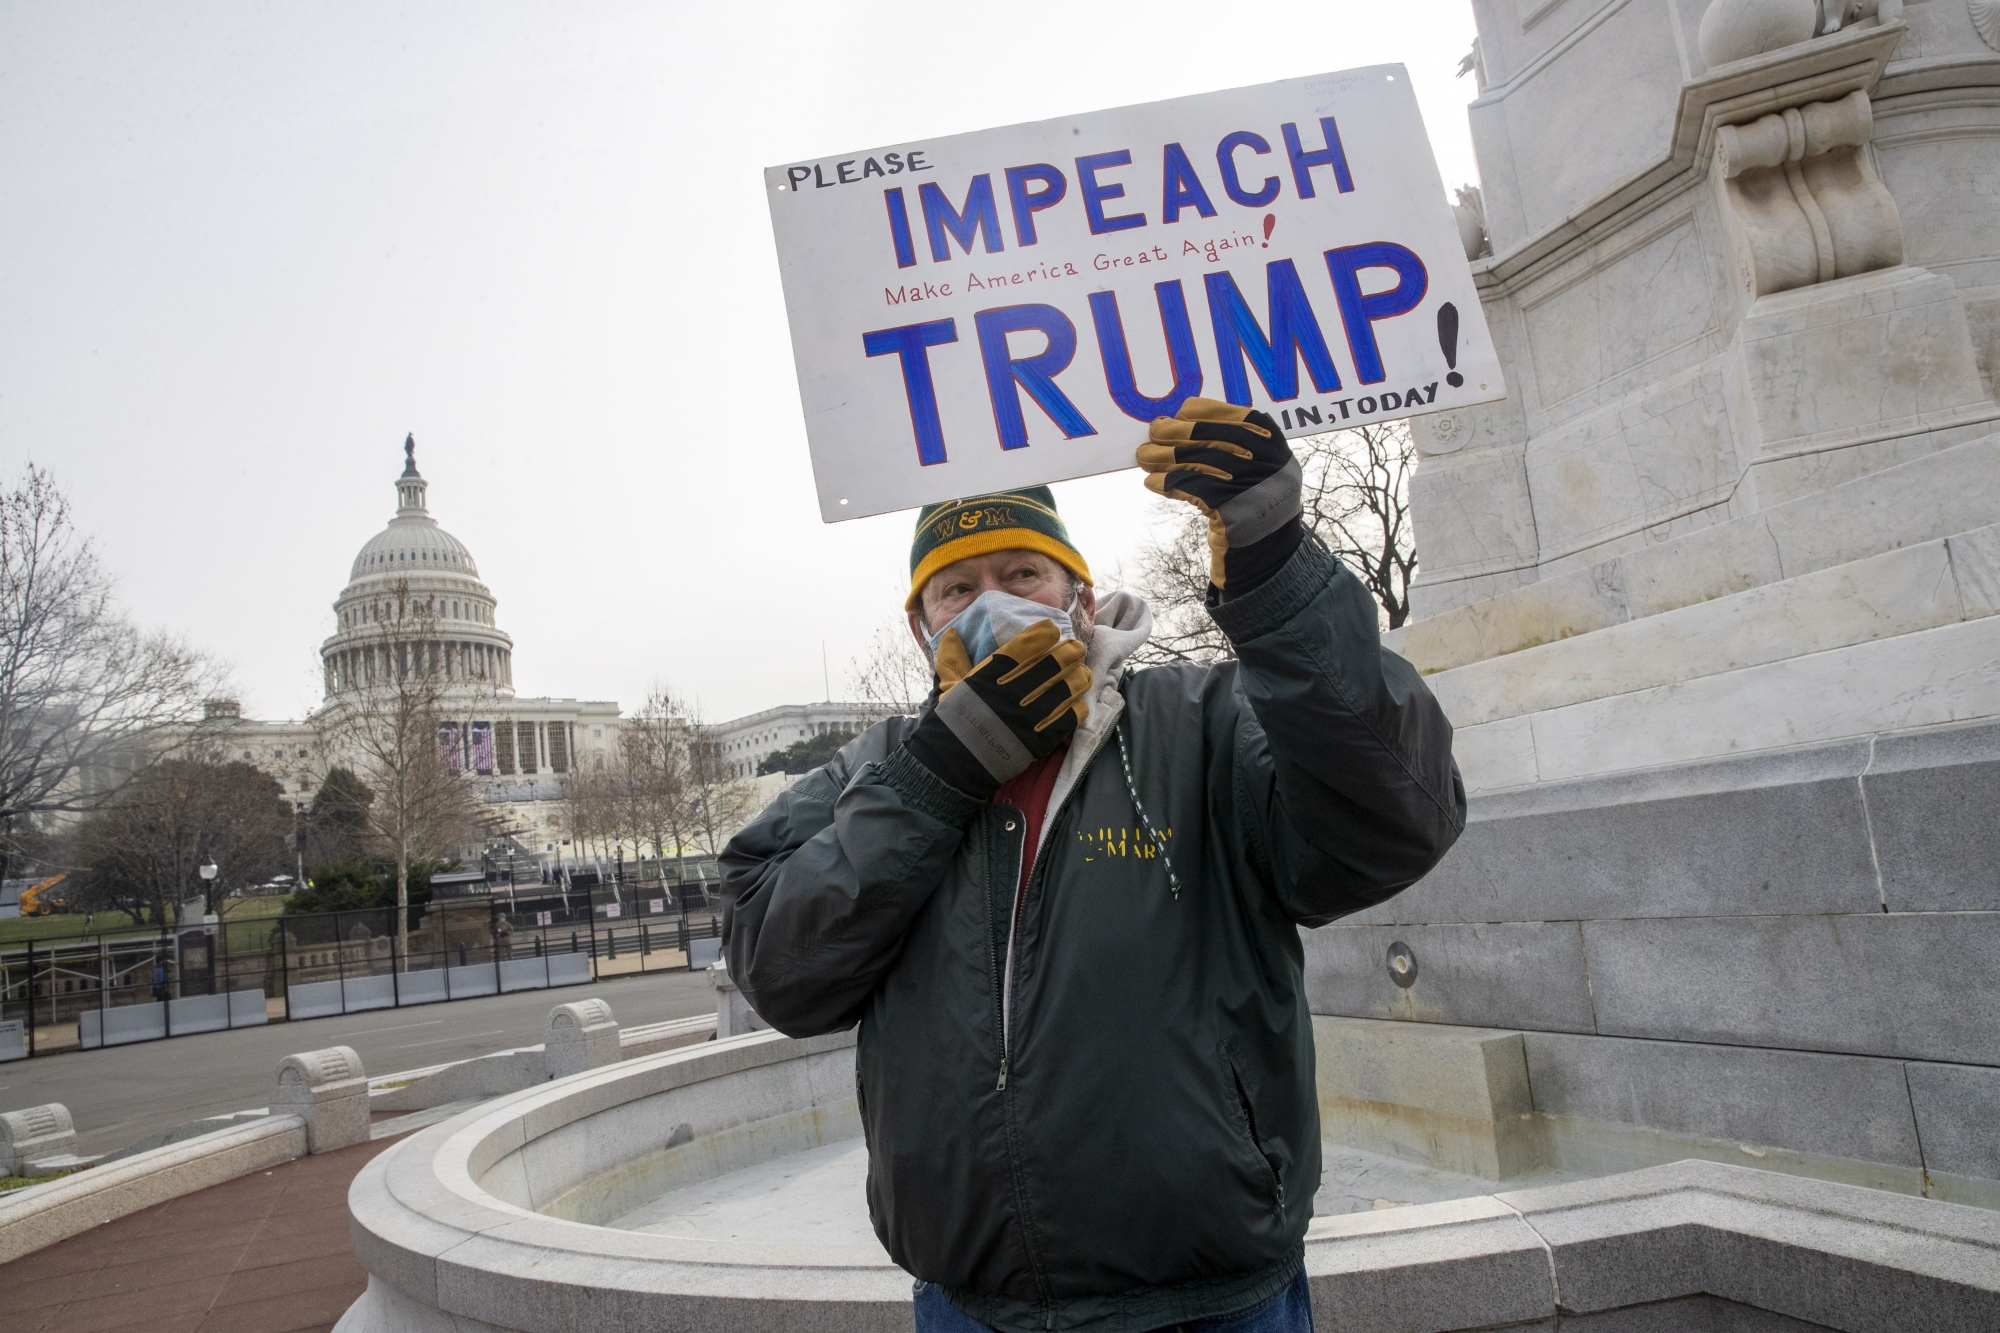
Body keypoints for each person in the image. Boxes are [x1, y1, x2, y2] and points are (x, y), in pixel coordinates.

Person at [722, 399, 1465, 1333]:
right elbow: (780, 967)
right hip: (972, 1307)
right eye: (956, 587)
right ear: (920, 623)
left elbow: (1395, 819)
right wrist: (941, 772)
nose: (991, 599)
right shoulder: (869, 771)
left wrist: (1277, 566)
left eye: (1022, 571)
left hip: (1211, 1303)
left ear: (1078, 592)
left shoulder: (1203, 720)